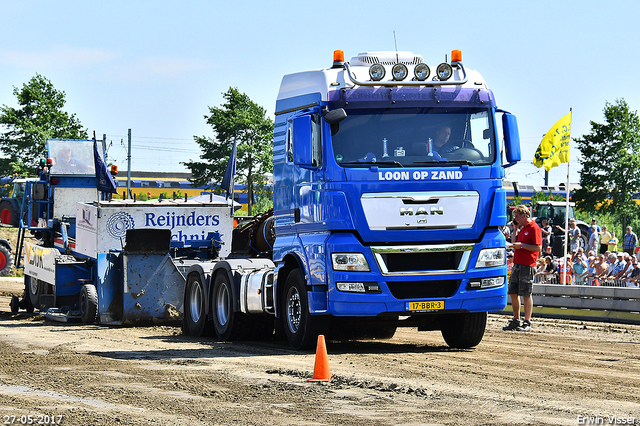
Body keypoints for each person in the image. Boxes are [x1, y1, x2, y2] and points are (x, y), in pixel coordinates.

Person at [503, 205, 542, 332]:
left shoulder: (534, 228)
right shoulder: (523, 228)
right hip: (517, 263)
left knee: (526, 293)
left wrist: (523, 246)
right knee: (513, 292)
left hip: (528, 265)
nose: (515, 219)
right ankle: (516, 319)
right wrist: (515, 229)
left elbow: (537, 248)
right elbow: (515, 243)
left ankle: (527, 321)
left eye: (517, 217)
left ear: (524, 215)